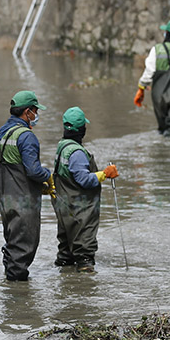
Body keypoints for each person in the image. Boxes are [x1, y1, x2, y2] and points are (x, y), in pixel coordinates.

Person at [0, 90, 52, 281]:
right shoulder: (27, 137)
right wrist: (48, 176)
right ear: (27, 112)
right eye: (35, 111)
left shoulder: (1, 133)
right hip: (23, 198)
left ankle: (10, 279)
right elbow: (33, 171)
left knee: (12, 238)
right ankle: (17, 291)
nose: (36, 115)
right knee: (26, 242)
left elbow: (6, 163)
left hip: (5, 196)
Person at [50, 106, 119, 272]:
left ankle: (64, 279)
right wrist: (105, 174)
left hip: (65, 206)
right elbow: (84, 180)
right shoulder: (77, 153)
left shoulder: (62, 147)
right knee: (84, 251)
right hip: (80, 208)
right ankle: (85, 287)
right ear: (82, 130)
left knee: (66, 250)